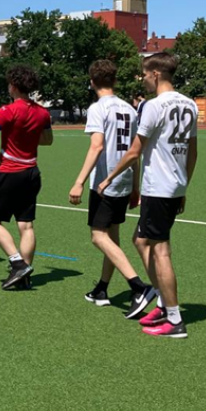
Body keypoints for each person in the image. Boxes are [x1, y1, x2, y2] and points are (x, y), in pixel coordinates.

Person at [97, 53, 198, 339]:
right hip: (174, 186)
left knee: (161, 250)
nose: (142, 79)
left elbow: (134, 151)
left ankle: (175, 318)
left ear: (155, 73)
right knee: (140, 241)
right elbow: (193, 152)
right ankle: (165, 304)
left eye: (144, 74)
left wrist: (109, 177)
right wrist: (183, 186)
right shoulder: (189, 104)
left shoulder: (152, 107)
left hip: (159, 187)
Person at [68, 60, 155, 316]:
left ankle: (138, 286)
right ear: (115, 81)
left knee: (98, 236)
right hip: (125, 179)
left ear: (92, 81)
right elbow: (135, 152)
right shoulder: (130, 109)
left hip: (105, 182)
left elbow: (97, 146)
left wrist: (79, 181)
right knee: (112, 237)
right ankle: (102, 289)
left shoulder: (98, 108)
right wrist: (135, 186)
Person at [0, 65, 53, 290]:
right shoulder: (42, 112)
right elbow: (47, 141)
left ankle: (17, 263)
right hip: (32, 172)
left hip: (9, 172)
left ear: (14, 86)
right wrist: (27, 134)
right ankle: (24, 274)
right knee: (26, 225)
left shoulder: (8, 110)